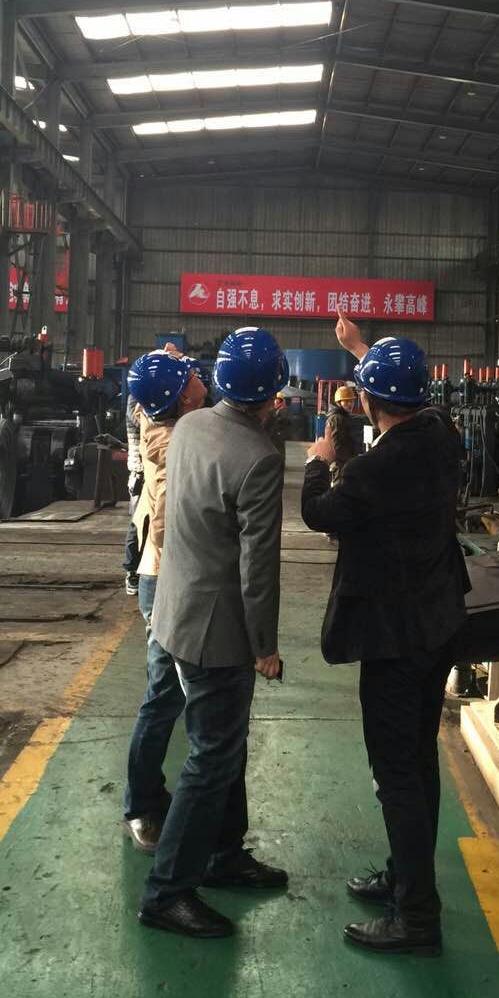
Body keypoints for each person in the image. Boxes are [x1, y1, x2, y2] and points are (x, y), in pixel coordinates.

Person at [301, 316, 469, 957]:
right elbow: (401, 388)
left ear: (370, 402)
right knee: (418, 762)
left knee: (395, 773)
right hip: (437, 625)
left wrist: (318, 461)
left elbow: (320, 513)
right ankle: (405, 876)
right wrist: (359, 349)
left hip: (394, 637)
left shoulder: (372, 471)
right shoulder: (441, 435)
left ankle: (416, 918)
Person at [138, 327, 290, 940]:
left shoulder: (191, 426)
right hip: (216, 632)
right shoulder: (260, 458)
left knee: (225, 745)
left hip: (175, 612)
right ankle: (167, 892)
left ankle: (224, 853)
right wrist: (265, 646)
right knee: (209, 758)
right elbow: (259, 567)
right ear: (273, 393)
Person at [122, 350, 207, 854]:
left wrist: (165, 363)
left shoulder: (160, 421)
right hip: (166, 577)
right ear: (180, 398)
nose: (198, 376)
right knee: (163, 699)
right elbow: (169, 532)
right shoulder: (175, 447)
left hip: (162, 576)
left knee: (166, 697)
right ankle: (142, 806)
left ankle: (148, 797)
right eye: (189, 376)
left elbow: (147, 396)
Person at [121, 390, 143, 596]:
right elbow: (141, 421)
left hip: (160, 469)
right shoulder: (135, 398)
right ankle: (132, 570)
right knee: (138, 522)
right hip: (141, 472)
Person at [325, 383, 362, 483]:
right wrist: (349, 463)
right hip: (341, 466)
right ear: (338, 403)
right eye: (346, 401)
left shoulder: (342, 417)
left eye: (351, 401)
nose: (350, 404)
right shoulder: (337, 419)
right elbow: (337, 446)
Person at [264, 392, 292, 463]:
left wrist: (276, 418)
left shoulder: (284, 409)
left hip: (280, 432)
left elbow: (285, 421)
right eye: (275, 399)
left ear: (281, 401)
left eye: (278, 400)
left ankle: (281, 462)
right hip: (274, 432)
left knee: (279, 448)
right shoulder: (274, 409)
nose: (276, 401)